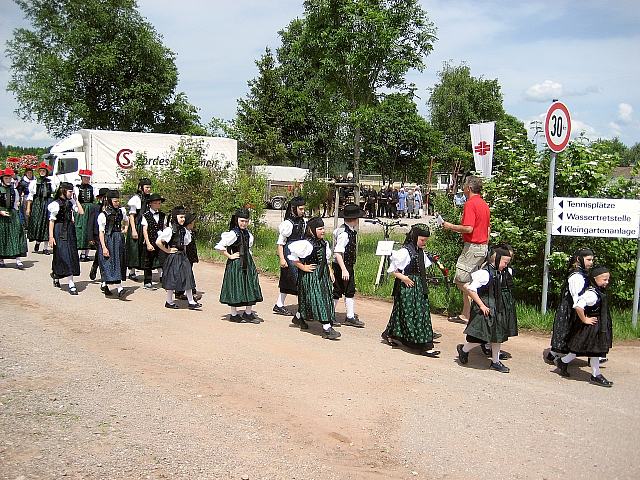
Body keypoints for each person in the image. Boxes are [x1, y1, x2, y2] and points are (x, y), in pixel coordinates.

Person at [381, 225, 440, 357]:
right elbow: (393, 271)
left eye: (425, 241)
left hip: (419, 287)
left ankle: (391, 334)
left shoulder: (420, 251)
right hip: (408, 287)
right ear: (414, 238)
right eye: (422, 240)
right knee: (411, 313)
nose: (424, 243)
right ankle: (423, 345)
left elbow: (422, 267)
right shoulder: (405, 252)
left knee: (416, 312)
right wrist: (404, 278)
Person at [455, 246, 516, 373]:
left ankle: (495, 362)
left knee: (497, 336)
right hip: (486, 307)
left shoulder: (503, 272)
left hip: (497, 308)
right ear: (497, 259)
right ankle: (464, 349)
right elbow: (471, 289)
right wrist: (482, 305)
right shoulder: (485, 273)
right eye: (505, 262)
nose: (506, 265)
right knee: (481, 337)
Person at [554, 266, 613, 387]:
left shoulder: (598, 291)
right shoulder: (591, 294)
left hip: (597, 325)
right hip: (591, 326)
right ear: (595, 279)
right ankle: (596, 375)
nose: (606, 282)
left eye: (608, 279)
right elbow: (578, 306)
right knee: (594, 350)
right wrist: (585, 319)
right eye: (604, 279)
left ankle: (563, 361)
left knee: (583, 348)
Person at [442, 176, 490, 324]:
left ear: (468, 188)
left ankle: (481, 306)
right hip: (482, 247)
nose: (463, 189)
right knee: (470, 280)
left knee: (460, 280)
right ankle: (466, 314)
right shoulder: (484, 204)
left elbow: (468, 228)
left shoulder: (470, 204)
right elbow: (488, 228)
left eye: (464, 186)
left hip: (472, 247)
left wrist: (450, 226)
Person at [288, 217, 340, 340]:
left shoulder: (323, 243)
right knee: (318, 299)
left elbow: (325, 259)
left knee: (317, 298)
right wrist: (303, 267)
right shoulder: (306, 244)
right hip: (310, 276)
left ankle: (299, 317)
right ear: (311, 230)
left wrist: (330, 270)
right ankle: (327, 328)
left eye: (323, 228)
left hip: (322, 276)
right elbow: (292, 257)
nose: (323, 231)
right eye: (320, 229)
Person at [546, 248, 595, 363]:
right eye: (588, 259)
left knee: (568, 332)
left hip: (572, 307)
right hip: (571, 308)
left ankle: (553, 354)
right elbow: (576, 296)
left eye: (592, 260)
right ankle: (560, 357)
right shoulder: (576, 275)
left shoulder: (581, 272)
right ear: (579, 259)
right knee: (569, 332)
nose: (591, 262)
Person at [215, 208, 263, 322]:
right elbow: (220, 246)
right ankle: (234, 314)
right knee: (235, 286)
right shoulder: (233, 234)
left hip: (248, 263)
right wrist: (230, 256)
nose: (244, 223)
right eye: (242, 221)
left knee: (250, 285)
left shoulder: (248, 234)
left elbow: (249, 249)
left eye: (246, 221)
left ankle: (248, 313)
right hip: (236, 264)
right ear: (237, 220)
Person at [156, 206, 202, 310]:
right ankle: (169, 301)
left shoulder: (184, 230)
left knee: (188, 277)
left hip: (182, 256)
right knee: (172, 278)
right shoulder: (170, 229)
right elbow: (158, 242)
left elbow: (186, 243)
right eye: (181, 217)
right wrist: (168, 250)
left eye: (184, 217)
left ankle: (191, 301)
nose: (183, 219)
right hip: (173, 257)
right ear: (175, 217)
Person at [332, 203, 366, 328]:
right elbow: (337, 253)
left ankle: (350, 316)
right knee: (337, 290)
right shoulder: (344, 234)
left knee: (349, 290)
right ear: (355, 219)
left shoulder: (348, 231)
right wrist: (344, 270)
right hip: (342, 266)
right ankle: (330, 314)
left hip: (347, 266)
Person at [48, 182, 84, 295]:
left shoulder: (71, 202)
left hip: (69, 230)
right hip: (59, 230)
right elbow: (52, 221)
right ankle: (67, 281)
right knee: (61, 254)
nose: (71, 193)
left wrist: (76, 200)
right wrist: (51, 237)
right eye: (69, 191)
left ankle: (63, 279)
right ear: (63, 191)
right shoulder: (55, 204)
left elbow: (81, 212)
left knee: (71, 254)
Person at [273, 196, 306, 316]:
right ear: (294, 208)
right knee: (290, 278)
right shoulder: (287, 224)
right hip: (289, 254)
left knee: (299, 278)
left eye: (303, 209)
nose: (303, 211)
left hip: (300, 252)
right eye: (301, 209)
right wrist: (282, 258)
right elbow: (280, 243)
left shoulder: (303, 221)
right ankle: (284, 306)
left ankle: (280, 305)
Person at [97, 190, 129, 298]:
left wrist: (125, 228)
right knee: (109, 262)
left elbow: (126, 220)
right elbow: (101, 232)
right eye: (115, 201)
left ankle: (105, 283)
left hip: (118, 239)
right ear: (110, 201)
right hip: (108, 239)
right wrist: (104, 247)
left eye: (118, 201)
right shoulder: (103, 214)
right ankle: (119, 288)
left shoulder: (121, 211)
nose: (117, 203)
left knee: (118, 261)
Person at [0, 168, 27, 269]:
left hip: (12, 213)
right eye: (6, 178)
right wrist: (1, 211)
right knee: (2, 236)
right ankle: (1, 259)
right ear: (2, 179)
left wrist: (16, 213)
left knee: (17, 234)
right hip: (1, 213)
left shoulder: (14, 190)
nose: (8, 180)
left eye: (9, 178)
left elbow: (16, 203)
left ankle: (18, 260)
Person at [125, 178, 152, 280]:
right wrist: (133, 230)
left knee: (143, 249)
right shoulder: (136, 198)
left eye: (149, 187)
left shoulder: (150, 198)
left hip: (146, 225)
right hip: (137, 225)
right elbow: (132, 215)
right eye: (147, 187)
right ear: (141, 188)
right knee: (134, 249)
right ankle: (132, 272)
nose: (148, 189)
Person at [26, 162, 54, 255]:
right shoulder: (34, 182)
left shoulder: (50, 182)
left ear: (46, 172)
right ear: (39, 172)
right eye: (41, 171)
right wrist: (28, 208)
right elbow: (30, 196)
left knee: (46, 224)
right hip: (38, 203)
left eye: (44, 171)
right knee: (38, 223)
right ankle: (37, 243)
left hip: (48, 203)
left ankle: (45, 248)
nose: (42, 172)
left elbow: (54, 193)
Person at [141, 193, 166, 290]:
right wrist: (147, 243)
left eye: (159, 203)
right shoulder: (146, 215)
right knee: (148, 262)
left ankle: (165, 279)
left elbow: (164, 227)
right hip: (151, 241)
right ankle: (147, 281)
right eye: (155, 203)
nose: (158, 205)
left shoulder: (163, 215)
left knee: (164, 261)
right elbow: (145, 230)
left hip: (160, 242)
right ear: (150, 204)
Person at [74, 169, 97, 262]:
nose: (86, 179)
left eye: (88, 178)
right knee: (81, 229)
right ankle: (81, 253)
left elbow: (95, 198)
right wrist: (78, 208)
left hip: (90, 209)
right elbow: (76, 199)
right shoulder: (77, 188)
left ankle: (86, 253)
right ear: (81, 178)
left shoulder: (92, 188)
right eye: (85, 177)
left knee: (89, 229)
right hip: (81, 209)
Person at [88, 188, 110, 282]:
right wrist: (90, 237)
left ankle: (95, 265)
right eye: (103, 197)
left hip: (108, 234)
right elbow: (90, 222)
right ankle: (102, 274)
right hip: (97, 234)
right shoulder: (95, 208)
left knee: (101, 253)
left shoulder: (111, 208)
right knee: (101, 253)